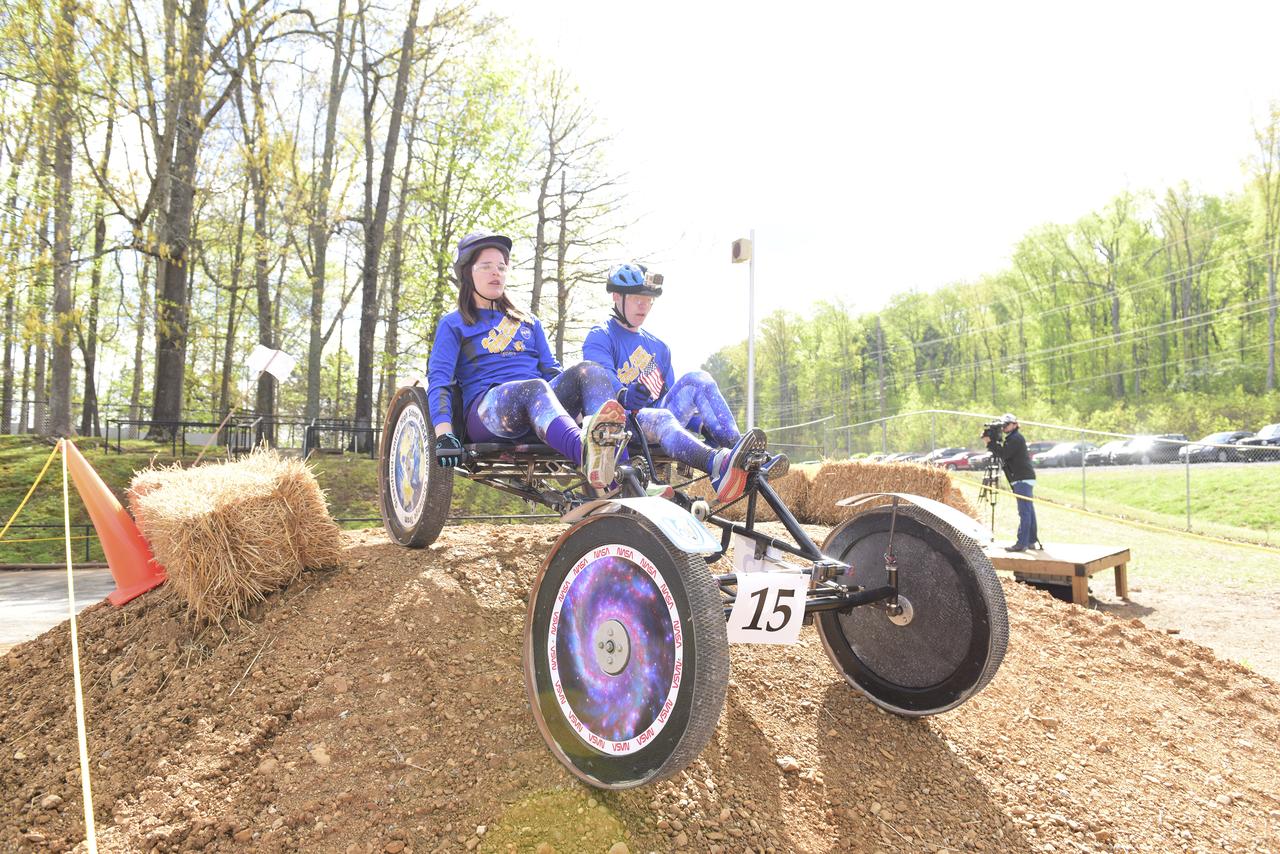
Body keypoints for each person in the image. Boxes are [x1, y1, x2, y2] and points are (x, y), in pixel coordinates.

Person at [427, 232, 626, 494]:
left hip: (540, 405)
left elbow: (552, 372)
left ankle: (624, 474)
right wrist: (444, 434)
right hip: (489, 411)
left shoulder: (529, 321)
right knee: (534, 387)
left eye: (501, 267)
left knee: (590, 370)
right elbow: (440, 381)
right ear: (467, 273)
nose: (496, 272)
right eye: (486, 266)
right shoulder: (454, 324)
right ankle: (590, 459)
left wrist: (578, 415)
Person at [582, 262, 783, 503]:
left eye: (648, 300)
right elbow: (601, 379)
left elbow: (671, 399)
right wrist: (624, 394)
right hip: (619, 424)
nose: (644, 305)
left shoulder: (660, 347)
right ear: (616, 296)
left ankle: (743, 455)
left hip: (657, 421)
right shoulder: (600, 336)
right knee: (662, 417)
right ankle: (716, 464)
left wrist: (702, 426)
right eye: (637, 298)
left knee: (698, 379)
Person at [984, 412, 1039, 552]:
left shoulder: (1015, 439)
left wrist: (990, 443)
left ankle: (1022, 543)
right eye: (1003, 425)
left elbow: (1003, 454)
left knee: (1024, 512)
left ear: (1014, 424)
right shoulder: (1013, 438)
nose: (1004, 427)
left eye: (1006, 425)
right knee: (1028, 511)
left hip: (1022, 479)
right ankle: (1031, 540)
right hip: (1023, 478)